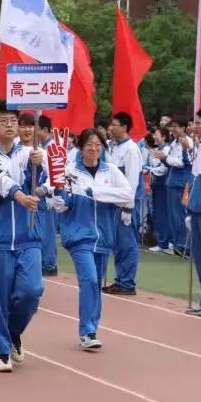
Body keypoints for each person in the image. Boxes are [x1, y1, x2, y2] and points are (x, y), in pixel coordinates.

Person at [0, 100, 46, 372]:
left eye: (13, 121)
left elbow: (46, 183)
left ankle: (13, 332)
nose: (9, 125)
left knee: (32, 291)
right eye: (3, 120)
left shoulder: (29, 153)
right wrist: (20, 196)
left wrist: (40, 170)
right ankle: (0, 351)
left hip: (28, 236)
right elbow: (0, 181)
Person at [53, 129, 133, 349]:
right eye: (89, 144)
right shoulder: (69, 172)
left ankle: (91, 329)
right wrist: (59, 195)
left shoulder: (111, 171)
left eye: (98, 144)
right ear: (80, 147)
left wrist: (96, 192)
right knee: (89, 279)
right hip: (79, 236)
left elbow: (128, 195)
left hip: (104, 237)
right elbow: (60, 206)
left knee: (96, 284)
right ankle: (87, 331)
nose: (94, 148)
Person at [102, 112, 142, 295]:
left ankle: (127, 282)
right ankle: (120, 279)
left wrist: (128, 206)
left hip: (125, 204)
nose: (111, 128)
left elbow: (132, 180)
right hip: (113, 202)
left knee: (127, 244)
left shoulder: (131, 150)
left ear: (125, 127)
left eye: (115, 124)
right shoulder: (113, 147)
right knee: (117, 243)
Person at [185, 108, 201, 316]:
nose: (195, 127)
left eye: (199, 123)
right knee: (200, 257)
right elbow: (195, 183)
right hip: (196, 210)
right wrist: (189, 211)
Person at [164, 118, 194, 257]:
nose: (173, 130)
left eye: (175, 127)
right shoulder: (174, 142)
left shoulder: (187, 142)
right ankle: (178, 244)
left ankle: (185, 246)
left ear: (183, 128)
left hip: (183, 183)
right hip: (172, 182)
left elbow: (183, 162)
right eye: (171, 127)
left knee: (182, 214)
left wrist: (166, 159)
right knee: (173, 216)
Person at [36, 115, 59, 276]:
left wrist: (45, 188)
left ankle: (49, 264)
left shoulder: (53, 148)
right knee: (42, 228)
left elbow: (57, 174)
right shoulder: (43, 146)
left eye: (35, 128)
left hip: (49, 195)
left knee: (47, 230)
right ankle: (46, 262)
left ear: (44, 129)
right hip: (43, 195)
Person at [145, 127, 172, 253]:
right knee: (157, 213)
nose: (154, 137)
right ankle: (162, 241)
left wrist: (149, 169)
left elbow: (163, 169)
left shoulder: (166, 149)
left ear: (164, 137)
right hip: (156, 185)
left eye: (157, 135)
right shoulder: (156, 150)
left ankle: (164, 242)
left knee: (162, 214)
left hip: (163, 185)